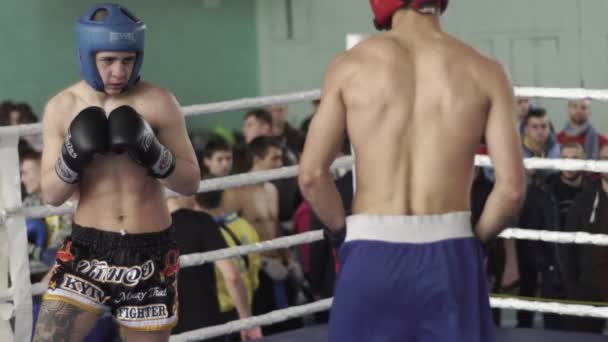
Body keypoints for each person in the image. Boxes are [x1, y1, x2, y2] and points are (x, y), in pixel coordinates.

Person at [298, 1, 526, 341]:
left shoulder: (350, 67)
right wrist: (473, 244)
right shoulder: (486, 70)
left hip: (369, 252)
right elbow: (511, 189)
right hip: (450, 253)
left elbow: (312, 176)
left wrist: (344, 235)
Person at [35, 4, 200, 342]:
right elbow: (51, 195)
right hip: (86, 248)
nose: (118, 72)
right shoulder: (62, 107)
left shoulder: (159, 102)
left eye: (127, 60)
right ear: (87, 55)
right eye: (108, 60)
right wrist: (71, 158)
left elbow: (190, 182)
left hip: (149, 252)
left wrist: (156, 156)